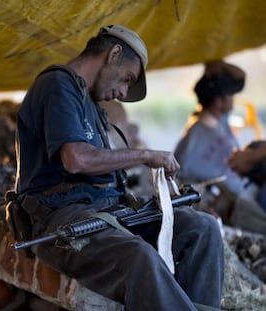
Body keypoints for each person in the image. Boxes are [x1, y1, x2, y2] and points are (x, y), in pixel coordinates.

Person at [14, 25, 223, 311]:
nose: (123, 92)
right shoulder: (57, 85)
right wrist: (145, 155)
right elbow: (76, 159)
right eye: (127, 79)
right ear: (113, 54)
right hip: (62, 221)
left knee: (202, 228)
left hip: (105, 211)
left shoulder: (89, 100)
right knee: (139, 257)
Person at [174, 61, 266, 234]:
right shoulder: (194, 137)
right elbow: (178, 176)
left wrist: (218, 64)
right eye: (230, 95)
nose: (234, 98)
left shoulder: (219, 121)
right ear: (219, 101)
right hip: (228, 202)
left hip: (242, 194)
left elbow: (240, 78)